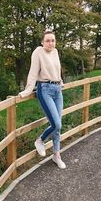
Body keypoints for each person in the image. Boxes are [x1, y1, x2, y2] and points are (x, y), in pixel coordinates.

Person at [19, 30, 66, 169]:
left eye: (53, 40)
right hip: (44, 90)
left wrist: (60, 81)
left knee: (58, 126)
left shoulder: (55, 51)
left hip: (57, 90)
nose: (51, 43)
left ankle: (56, 155)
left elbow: (57, 70)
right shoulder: (38, 52)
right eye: (47, 40)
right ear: (42, 42)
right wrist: (28, 90)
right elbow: (33, 73)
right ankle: (40, 140)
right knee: (56, 124)